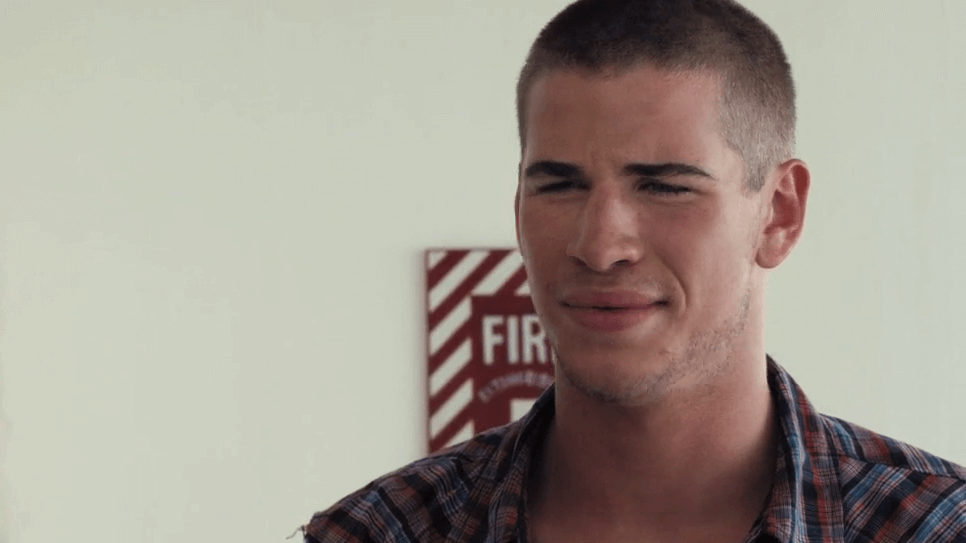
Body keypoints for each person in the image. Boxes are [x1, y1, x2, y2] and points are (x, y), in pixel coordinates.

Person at [301, 1, 966, 541]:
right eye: (559, 185)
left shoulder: (936, 527)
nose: (600, 246)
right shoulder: (382, 531)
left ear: (778, 214)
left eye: (665, 186)